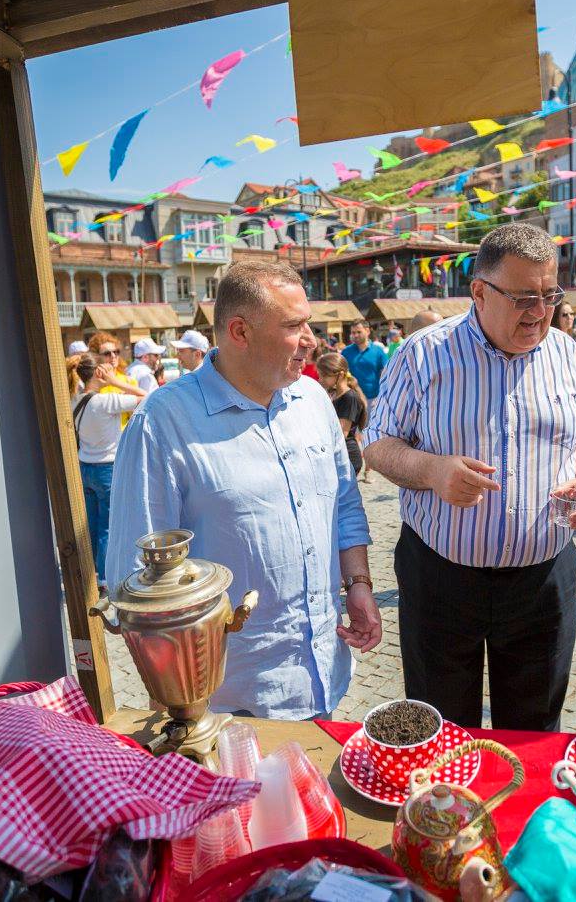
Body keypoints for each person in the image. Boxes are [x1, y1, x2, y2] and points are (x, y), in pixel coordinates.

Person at [105, 260, 382, 720]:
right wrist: (176, 701)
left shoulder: (313, 400)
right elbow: (135, 580)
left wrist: (358, 583)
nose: (311, 339)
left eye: (308, 323)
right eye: (294, 326)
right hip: (228, 700)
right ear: (240, 332)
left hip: (321, 675)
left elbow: (345, 504)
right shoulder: (163, 422)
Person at [363, 222, 576, 731]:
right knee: (442, 730)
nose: (539, 312)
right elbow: (378, 443)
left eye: (549, 295)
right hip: (441, 579)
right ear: (479, 291)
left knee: (534, 731)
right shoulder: (423, 353)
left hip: (543, 580)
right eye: (523, 298)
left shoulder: (566, 352)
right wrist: (432, 470)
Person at [70, 350, 147, 590]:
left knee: (92, 524)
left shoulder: (75, 399)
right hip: (107, 468)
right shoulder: (105, 402)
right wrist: (115, 382)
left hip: (85, 466)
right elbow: (146, 396)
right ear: (98, 373)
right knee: (107, 526)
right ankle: (104, 578)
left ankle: (93, 572)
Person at [317, 352, 367, 477]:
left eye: (324, 376)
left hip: (347, 457)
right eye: (320, 375)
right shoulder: (333, 393)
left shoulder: (349, 398)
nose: (320, 379)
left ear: (340, 375)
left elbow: (341, 434)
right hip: (337, 454)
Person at [340, 320, 389, 401]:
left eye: (359, 332)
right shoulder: (346, 352)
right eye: (353, 332)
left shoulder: (378, 351)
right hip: (352, 399)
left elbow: (386, 373)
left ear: (367, 331)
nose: (355, 335)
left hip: (374, 399)